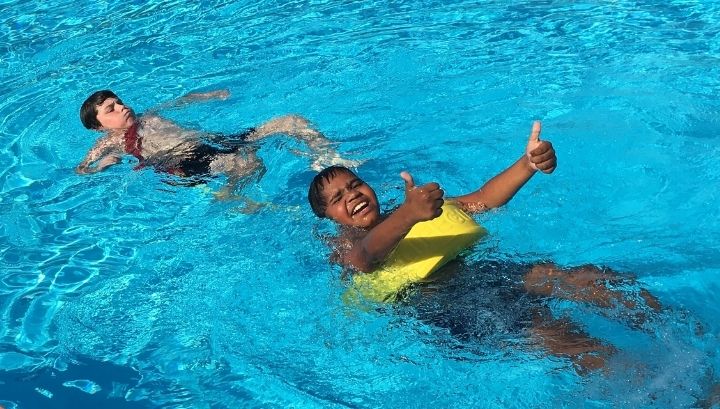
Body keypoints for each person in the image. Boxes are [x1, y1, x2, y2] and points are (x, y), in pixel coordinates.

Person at [307, 121, 661, 372]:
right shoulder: (342, 246)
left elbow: (485, 199)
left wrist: (528, 164)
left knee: (594, 279)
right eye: (337, 198)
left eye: (355, 184)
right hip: (448, 308)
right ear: (328, 217)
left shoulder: (418, 208)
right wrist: (408, 216)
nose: (351, 194)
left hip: (486, 274)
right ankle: (663, 391)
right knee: (567, 340)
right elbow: (365, 257)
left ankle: (688, 339)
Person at [77, 89, 354, 196]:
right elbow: (81, 170)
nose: (122, 107)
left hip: (216, 141)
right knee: (248, 164)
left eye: (120, 102)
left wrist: (209, 96)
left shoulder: (149, 114)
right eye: (110, 109)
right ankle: (229, 195)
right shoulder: (108, 143)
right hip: (188, 161)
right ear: (97, 126)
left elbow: (182, 100)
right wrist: (103, 164)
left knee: (291, 121)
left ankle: (329, 158)